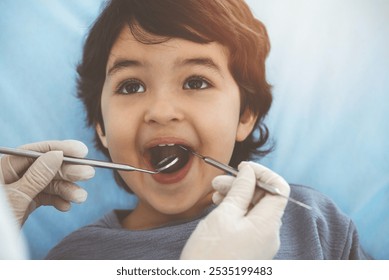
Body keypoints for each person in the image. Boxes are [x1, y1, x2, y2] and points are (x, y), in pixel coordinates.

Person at [1, 0, 369, 259]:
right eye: (131, 86)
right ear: (102, 128)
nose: (161, 111)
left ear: (246, 115)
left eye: (195, 81)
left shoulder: (314, 222)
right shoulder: (74, 261)